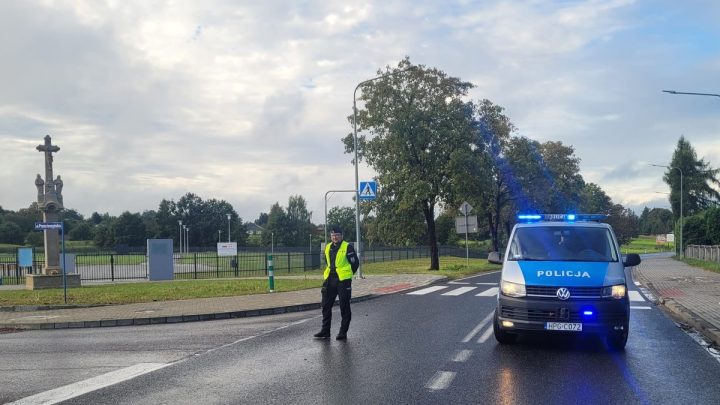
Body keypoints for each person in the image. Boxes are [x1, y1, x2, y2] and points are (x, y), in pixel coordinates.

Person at [314, 226, 359, 340]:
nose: (335, 237)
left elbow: (355, 263)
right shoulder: (328, 247)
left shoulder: (347, 247)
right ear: (331, 236)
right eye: (333, 235)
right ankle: (325, 331)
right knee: (325, 305)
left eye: (337, 235)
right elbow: (327, 261)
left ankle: (343, 332)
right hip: (330, 279)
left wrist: (348, 275)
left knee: (344, 306)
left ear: (341, 236)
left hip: (343, 280)